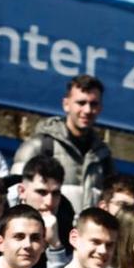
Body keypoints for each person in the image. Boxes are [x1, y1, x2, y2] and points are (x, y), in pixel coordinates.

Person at [11, 74, 114, 212]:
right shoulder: (38, 146)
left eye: (94, 104)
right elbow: (13, 197)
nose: (88, 110)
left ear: (100, 108)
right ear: (66, 104)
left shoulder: (104, 157)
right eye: (81, 103)